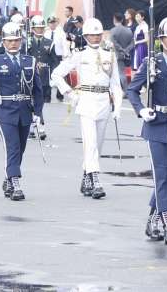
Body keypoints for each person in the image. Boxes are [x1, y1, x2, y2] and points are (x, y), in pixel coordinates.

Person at [126, 17, 167, 245]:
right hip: (156, 125)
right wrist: (141, 110)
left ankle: (153, 219)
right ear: (161, 39)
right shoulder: (151, 63)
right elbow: (132, 90)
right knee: (162, 175)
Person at [51, 18, 123, 200]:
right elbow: (57, 74)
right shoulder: (79, 54)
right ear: (85, 36)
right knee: (90, 143)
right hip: (87, 100)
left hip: (104, 101)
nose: (96, 37)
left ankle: (87, 175)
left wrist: (118, 108)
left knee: (97, 144)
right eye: (92, 34)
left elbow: (115, 84)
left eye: (98, 34)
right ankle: (96, 179)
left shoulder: (110, 55)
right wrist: (70, 93)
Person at [0, 22, 43, 201]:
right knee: (13, 148)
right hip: (6, 111)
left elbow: (38, 90)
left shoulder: (30, 60)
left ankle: (8, 178)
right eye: (9, 41)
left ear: (21, 41)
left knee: (21, 149)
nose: (13, 44)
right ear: (3, 42)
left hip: (25, 110)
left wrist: (38, 113)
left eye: (16, 40)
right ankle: (15, 182)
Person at [26, 15, 57, 139]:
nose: (40, 30)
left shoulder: (49, 43)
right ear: (33, 28)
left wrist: (54, 76)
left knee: (39, 103)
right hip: (30, 77)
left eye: (41, 28)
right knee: (32, 102)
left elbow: (55, 61)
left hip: (44, 77)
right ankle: (40, 126)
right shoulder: (27, 43)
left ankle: (33, 126)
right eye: (37, 28)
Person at [110, 13, 134, 91]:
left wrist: (121, 50)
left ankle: (126, 91)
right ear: (122, 20)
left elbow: (114, 43)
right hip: (126, 55)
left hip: (117, 54)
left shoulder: (113, 30)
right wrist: (126, 51)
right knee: (123, 72)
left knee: (120, 73)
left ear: (114, 20)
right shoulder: (128, 30)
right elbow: (132, 43)